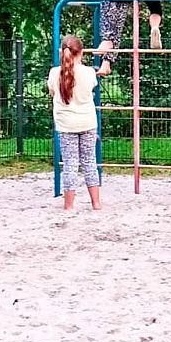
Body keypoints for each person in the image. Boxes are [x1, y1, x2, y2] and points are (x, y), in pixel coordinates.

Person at [50, 34, 102, 210]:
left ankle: (69, 205)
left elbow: (53, 92)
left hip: (66, 124)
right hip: (87, 122)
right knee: (89, 162)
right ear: (82, 52)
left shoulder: (54, 73)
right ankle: (96, 203)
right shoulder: (89, 73)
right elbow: (90, 87)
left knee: (70, 164)